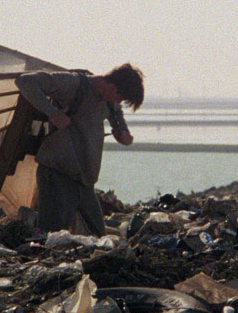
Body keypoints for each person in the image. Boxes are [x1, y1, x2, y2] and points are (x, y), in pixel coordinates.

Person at [15, 63, 144, 236]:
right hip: (57, 174)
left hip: (84, 181)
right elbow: (24, 82)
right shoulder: (73, 83)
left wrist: (124, 133)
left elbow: (117, 115)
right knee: (52, 236)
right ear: (113, 87)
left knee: (97, 236)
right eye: (119, 98)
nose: (118, 103)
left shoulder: (110, 100)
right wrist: (53, 113)